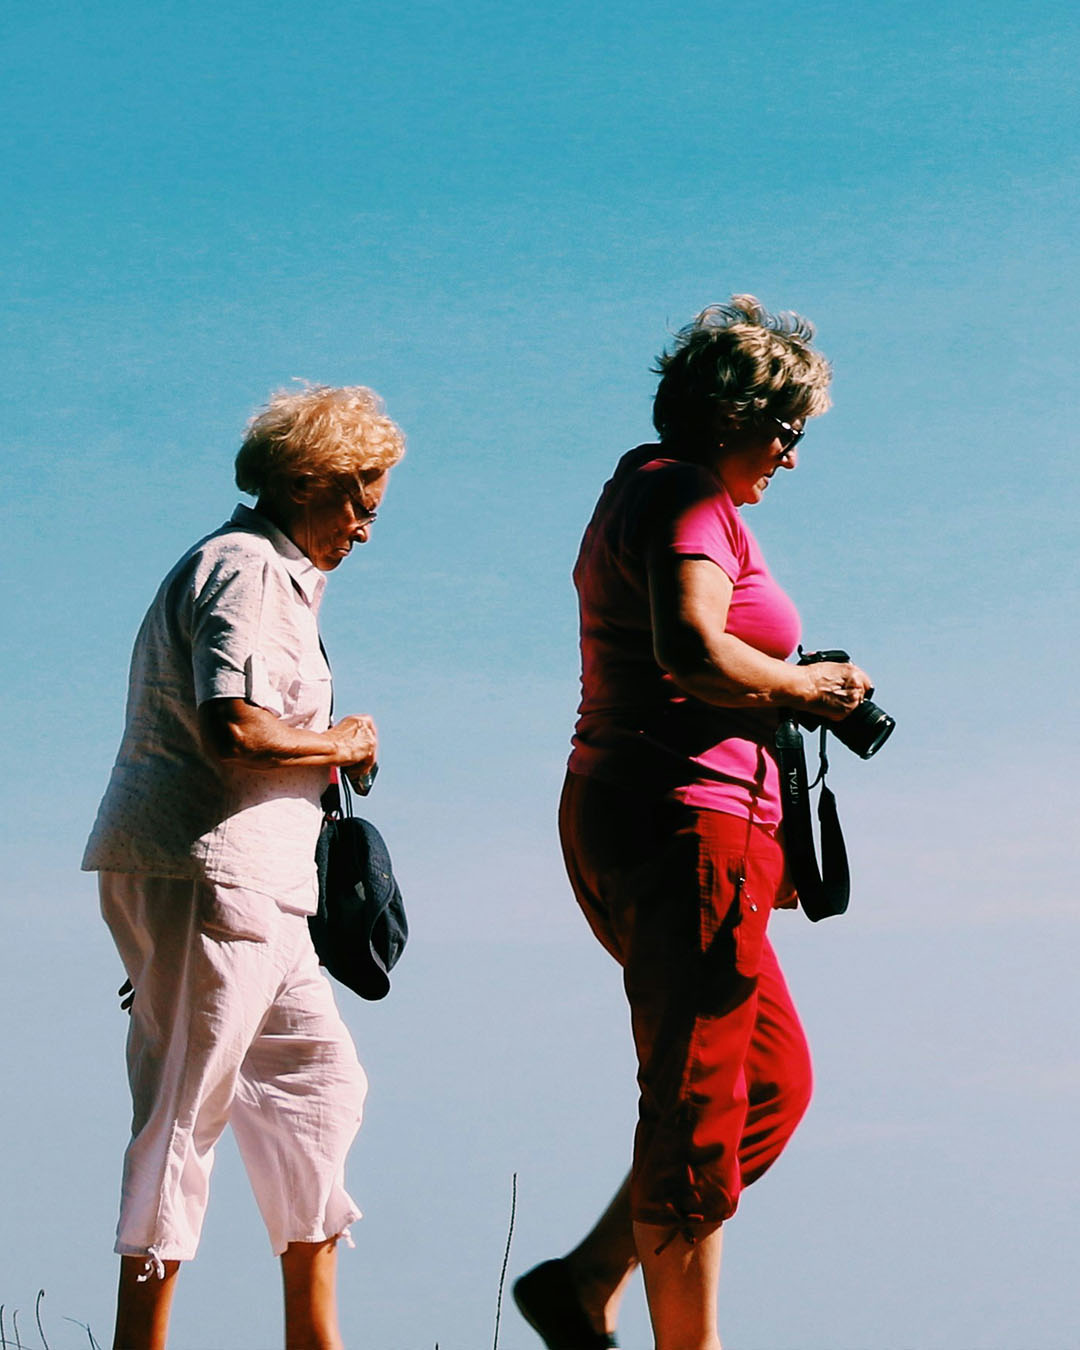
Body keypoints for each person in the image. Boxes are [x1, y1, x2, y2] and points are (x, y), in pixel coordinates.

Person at [513, 298, 874, 1350]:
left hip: (669, 817)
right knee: (699, 1102)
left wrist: (784, 688)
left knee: (768, 1082)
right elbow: (694, 652)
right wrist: (806, 693)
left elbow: (698, 652)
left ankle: (583, 1284)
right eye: (788, 431)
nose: (792, 459)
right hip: (686, 824)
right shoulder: (686, 498)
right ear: (733, 415)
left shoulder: (647, 488)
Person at [82, 384, 405, 1350]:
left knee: (320, 1080)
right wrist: (340, 743)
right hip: (213, 876)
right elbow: (235, 728)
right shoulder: (251, 571)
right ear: (310, 480)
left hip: (251, 883)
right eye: (358, 502)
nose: (363, 527)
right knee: (185, 1110)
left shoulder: (252, 568)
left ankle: (314, 1337)